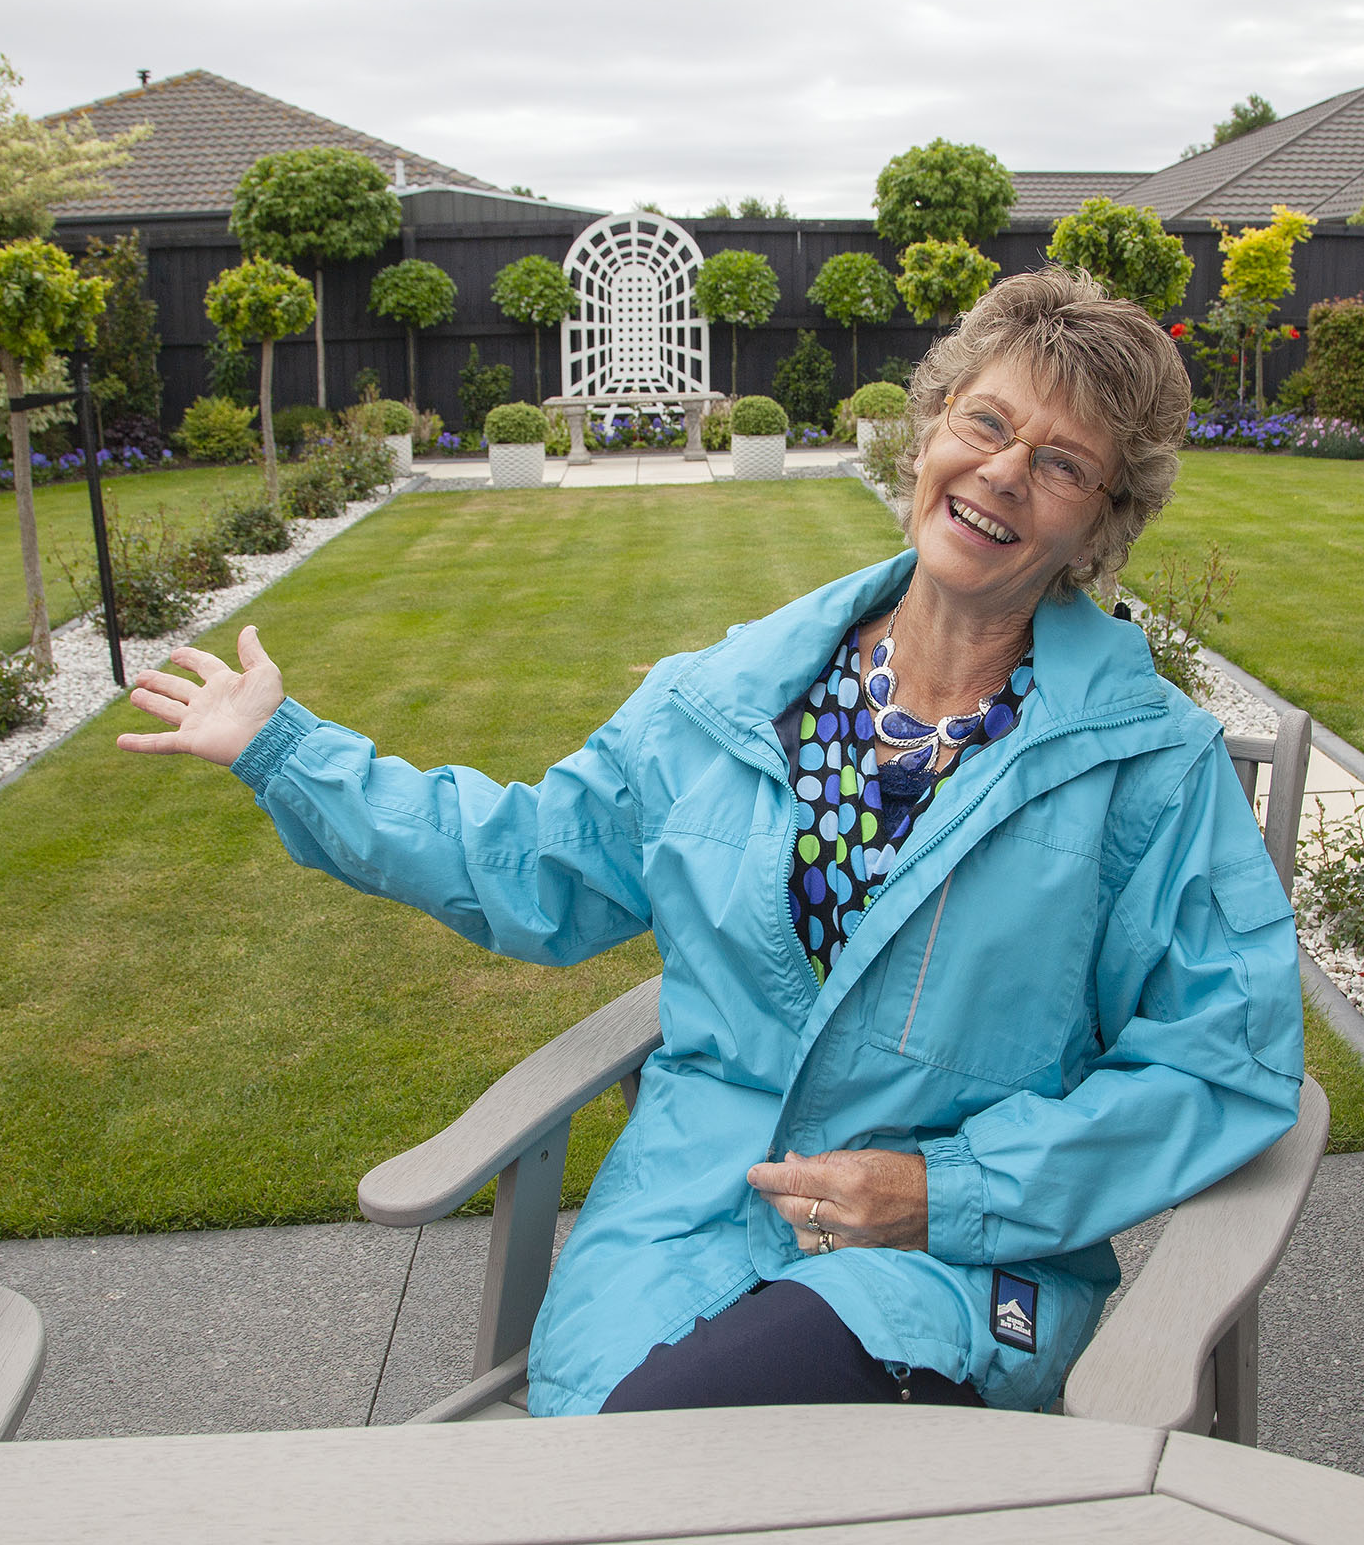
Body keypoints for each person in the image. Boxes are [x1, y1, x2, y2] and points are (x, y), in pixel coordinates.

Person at [119, 265, 1304, 1417]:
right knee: (638, 1443)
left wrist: (947, 1191)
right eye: (984, 422)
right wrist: (288, 754)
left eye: (1060, 464)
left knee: (644, 1452)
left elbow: (1220, 1062)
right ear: (931, 425)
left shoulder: (1143, 766)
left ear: (1103, 521)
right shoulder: (722, 702)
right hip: (688, 1209)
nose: (1001, 472)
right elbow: (534, 868)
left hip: (946, 1256)